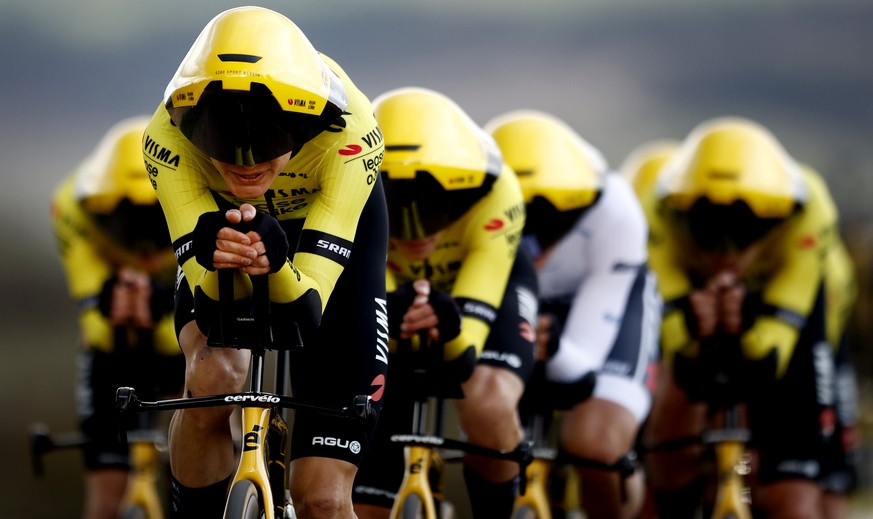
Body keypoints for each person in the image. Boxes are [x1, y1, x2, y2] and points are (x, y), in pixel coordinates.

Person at [142, 6, 388, 518]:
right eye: (219, 140)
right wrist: (216, 255)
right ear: (191, 126)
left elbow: (308, 307)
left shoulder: (351, 133)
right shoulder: (166, 138)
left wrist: (275, 266)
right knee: (213, 375)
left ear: (305, 121)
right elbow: (210, 303)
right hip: (225, 225)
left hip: (326, 228)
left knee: (322, 496)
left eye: (270, 140)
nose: (246, 162)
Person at [639, 116, 847, 518]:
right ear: (681, 213)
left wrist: (751, 324)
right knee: (678, 387)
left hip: (790, 305)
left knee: (793, 501)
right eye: (707, 231)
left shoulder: (812, 208)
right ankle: (688, 494)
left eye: (746, 232)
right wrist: (691, 326)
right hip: (694, 292)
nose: (726, 252)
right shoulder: (656, 206)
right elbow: (676, 342)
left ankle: (750, 480)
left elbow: (771, 353)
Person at [352, 87, 539, 519]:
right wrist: (393, 313)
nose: (416, 233)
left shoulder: (498, 188)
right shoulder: (350, 176)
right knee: (364, 507)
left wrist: (451, 329)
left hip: (488, 282)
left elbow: (464, 353)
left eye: (436, 208)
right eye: (396, 209)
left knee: (488, 404)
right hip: (394, 284)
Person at [486, 110, 661, 519]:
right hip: (517, 299)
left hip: (605, 300)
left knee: (596, 447)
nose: (533, 243)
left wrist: (555, 348)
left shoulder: (616, 207)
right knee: (494, 440)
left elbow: (580, 369)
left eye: (550, 223)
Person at [51, 116, 183, 519]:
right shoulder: (71, 205)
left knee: (216, 447)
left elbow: (207, 329)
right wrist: (112, 311)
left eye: (156, 224)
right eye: (128, 226)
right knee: (108, 496)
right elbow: (95, 326)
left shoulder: (197, 192)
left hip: (178, 328)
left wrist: (160, 311)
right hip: (114, 350)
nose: (143, 246)